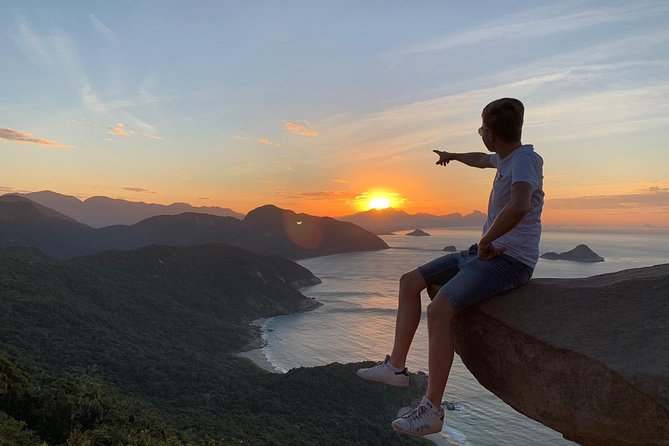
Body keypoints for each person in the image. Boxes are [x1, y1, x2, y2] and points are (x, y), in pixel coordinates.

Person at [357, 98, 544, 436]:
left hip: (508, 261)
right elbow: (483, 160)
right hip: (482, 253)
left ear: (490, 132)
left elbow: (520, 206)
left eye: (481, 129)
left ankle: (432, 410)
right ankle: (396, 368)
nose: (481, 136)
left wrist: (487, 242)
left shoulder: (526, 161)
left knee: (440, 310)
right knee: (410, 281)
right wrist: (454, 157)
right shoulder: (507, 158)